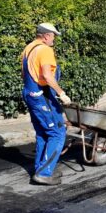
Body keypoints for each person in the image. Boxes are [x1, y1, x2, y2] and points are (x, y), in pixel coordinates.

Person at [21, 22, 72, 185]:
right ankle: (44, 173)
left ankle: (40, 168)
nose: (54, 40)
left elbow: (25, 75)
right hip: (42, 95)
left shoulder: (28, 49)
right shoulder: (45, 50)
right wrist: (61, 93)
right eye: (53, 36)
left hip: (30, 94)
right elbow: (47, 76)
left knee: (43, 133)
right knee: (58, 133)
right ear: (46, 35)